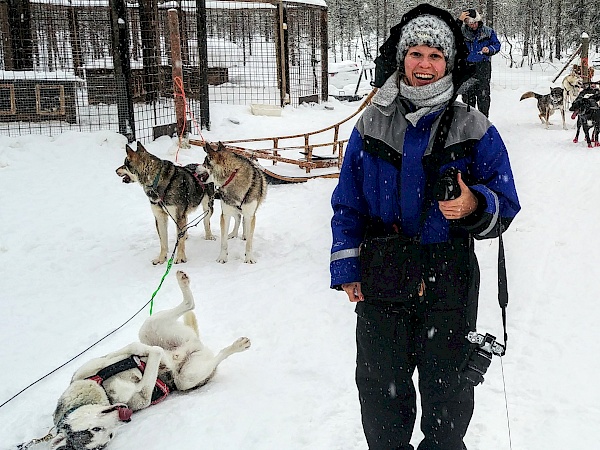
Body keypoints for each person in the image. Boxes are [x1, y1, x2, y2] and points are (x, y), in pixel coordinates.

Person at [329, 3, 520, 450]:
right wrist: (347, 267)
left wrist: (475, 203)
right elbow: (347, 202)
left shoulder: (475, 128)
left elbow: (506, 204)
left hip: (448, 277)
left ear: (449, 63)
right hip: (383, 274)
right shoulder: (371, 122)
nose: (424, 65)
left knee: (448, 400)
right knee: (381, 397)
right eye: (416, 53)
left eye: (436, 56)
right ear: (402, 58)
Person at [457, 8, 500, 117]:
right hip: (467, 67)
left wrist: (489, 49)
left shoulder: (488, 32)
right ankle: (468, 123)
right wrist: (459, 20)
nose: (473, 25)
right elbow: (451, 36)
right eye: (470, 23)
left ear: (478, 20)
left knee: (483, 96)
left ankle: (483, 121)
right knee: (467, 96)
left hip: (483, 67)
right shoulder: (462, 32)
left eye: (475, 22)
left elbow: (497, 45)